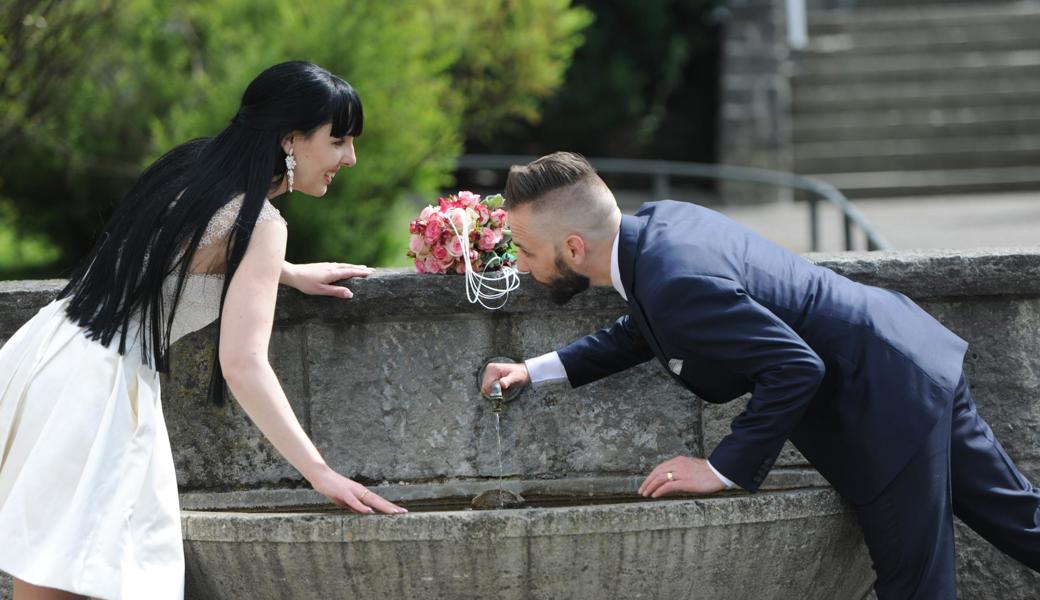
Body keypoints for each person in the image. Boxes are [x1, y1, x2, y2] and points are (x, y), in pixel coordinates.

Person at [481, 152, 1040, 599]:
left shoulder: (673, 280)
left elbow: (797, 366)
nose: (523, 267)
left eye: (528, 251)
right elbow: (642, 328)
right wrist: (535, 369)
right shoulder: (659, 228)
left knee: (914, 587)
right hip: (911, 357)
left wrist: (722, 467)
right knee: (1022, 522)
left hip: (886, 404)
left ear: (574, 247)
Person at [0, 61, 407, 600]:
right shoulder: (261, 223)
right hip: (98, 387)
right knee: (86, 574)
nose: (349, 158)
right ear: (291, 140)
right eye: (338, 141)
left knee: (56, 569)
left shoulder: (191, 168)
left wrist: (285, 272)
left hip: (46, 349)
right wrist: (320, 472)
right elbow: (243, 363)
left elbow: (181, 251)